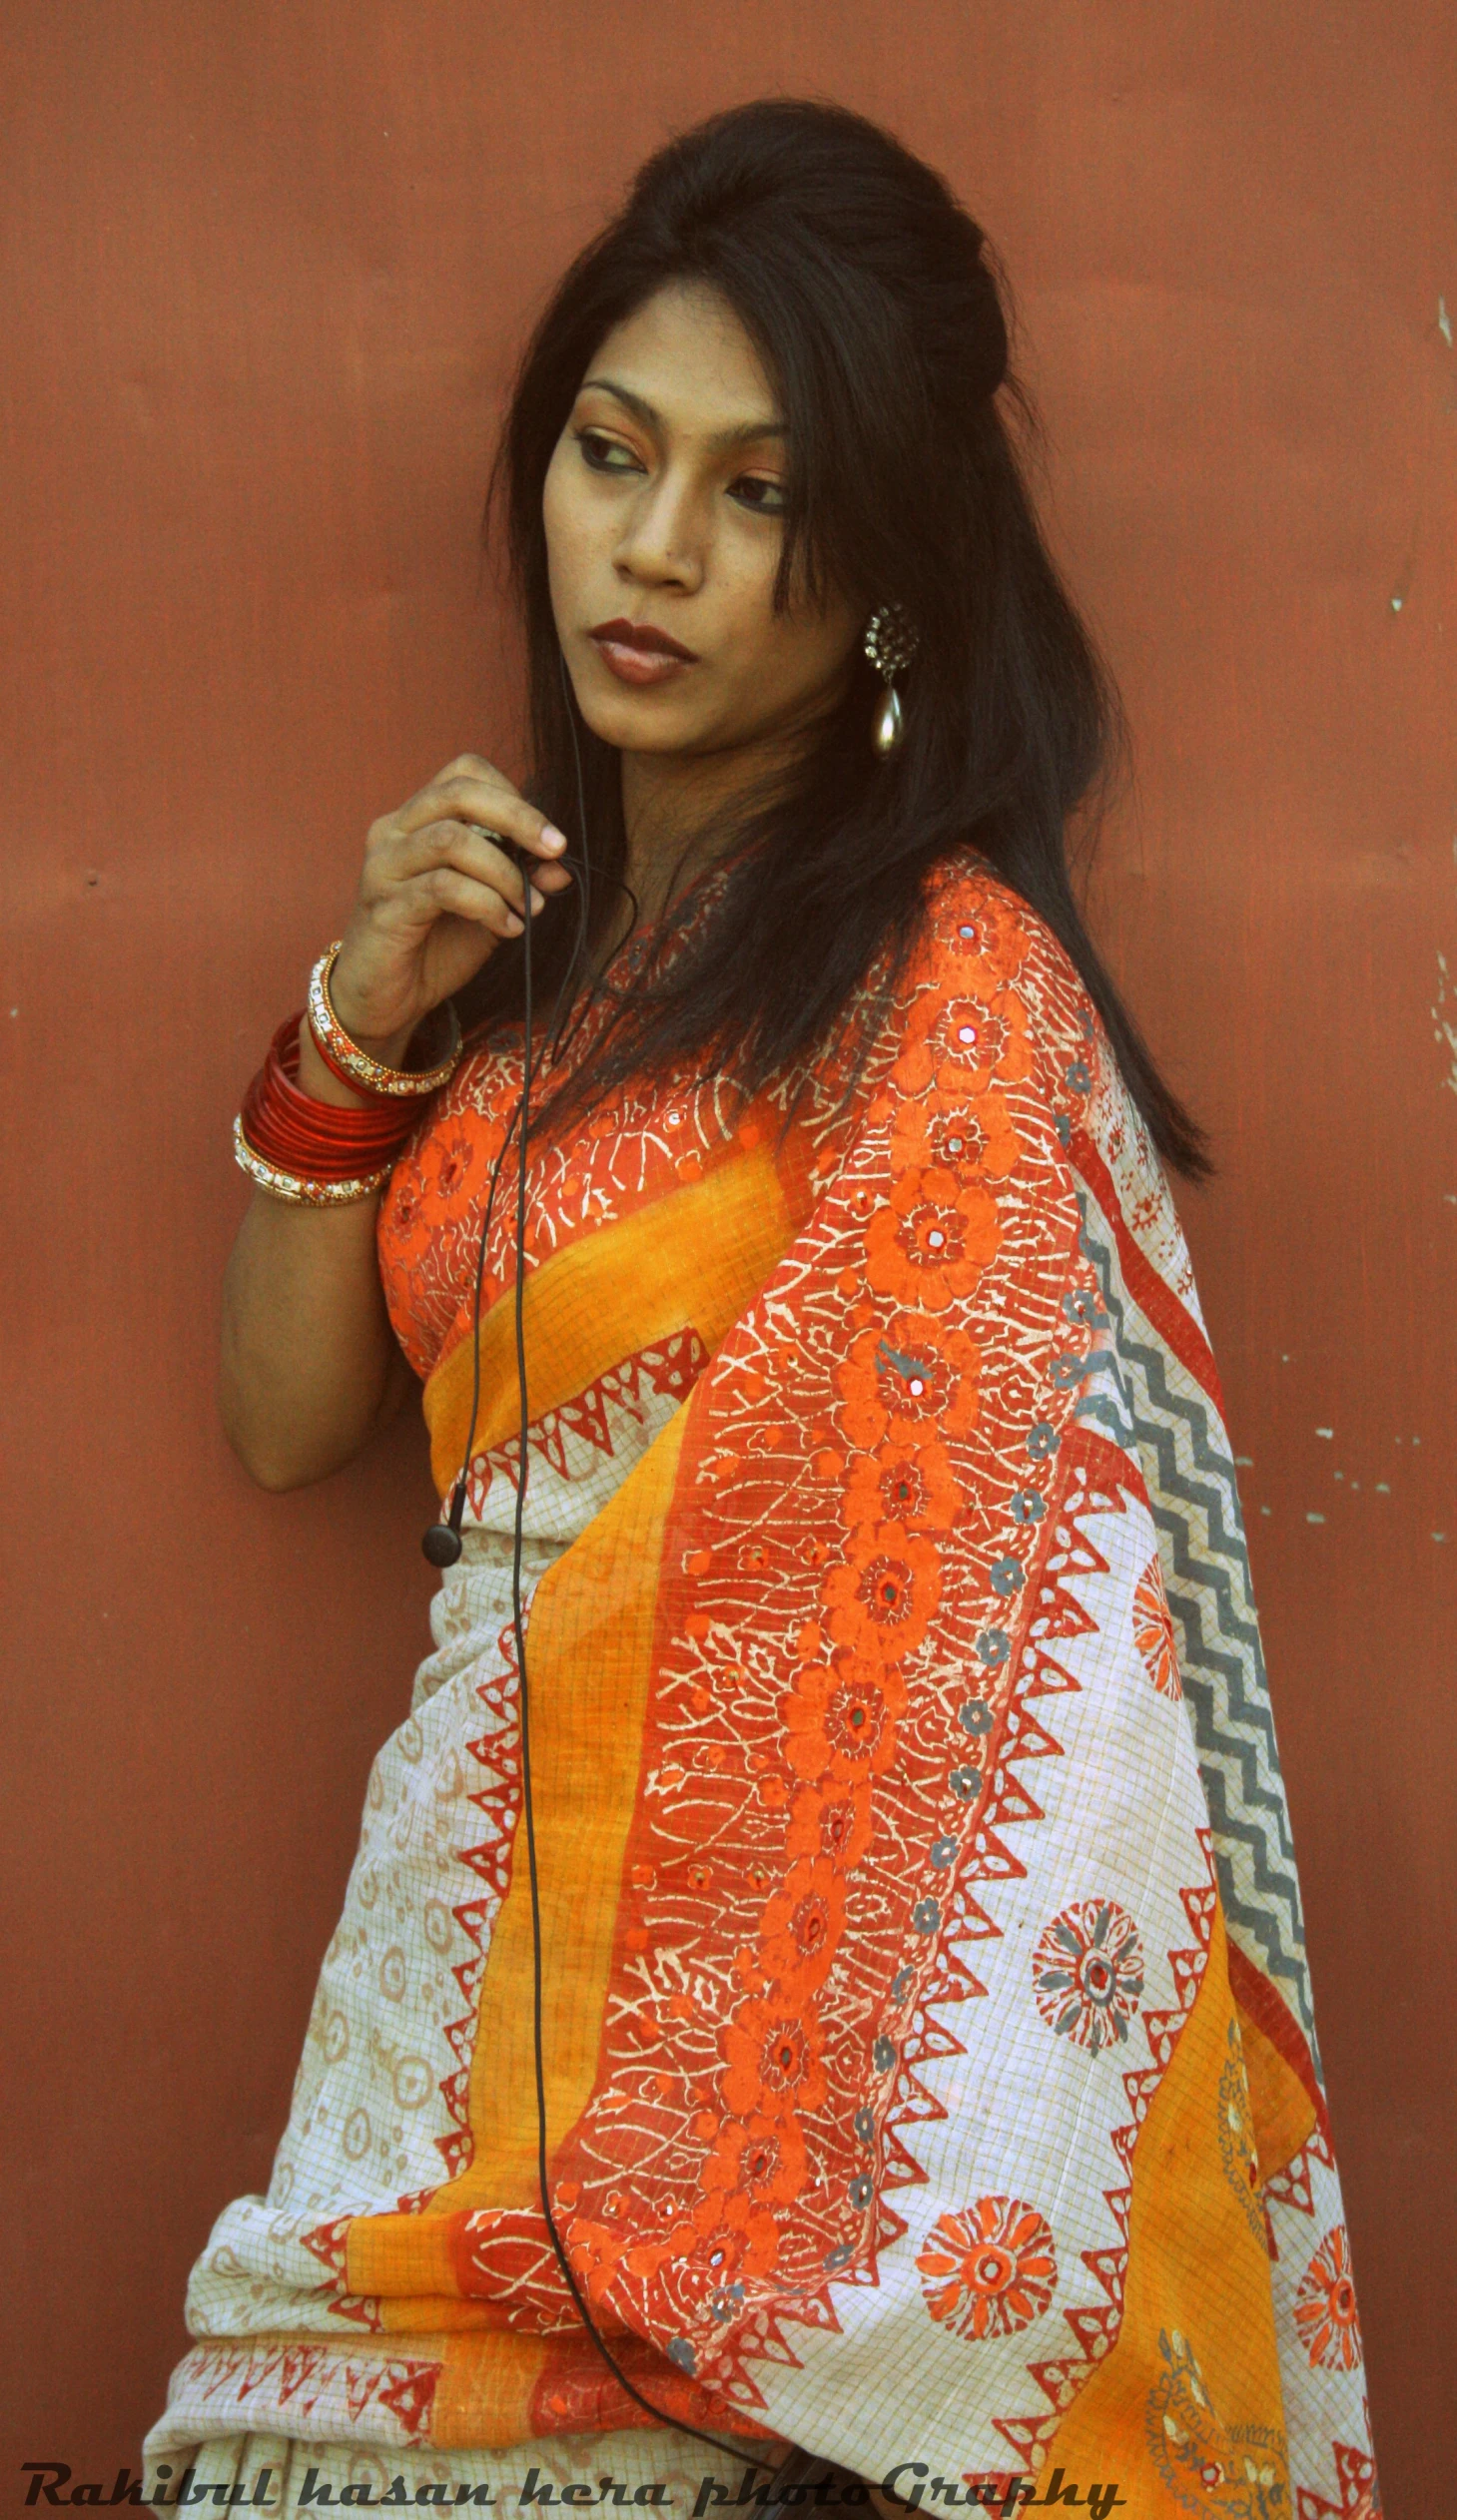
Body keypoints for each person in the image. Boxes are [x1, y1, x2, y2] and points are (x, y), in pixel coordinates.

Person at [145, 98, 1379, 2520]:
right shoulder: (535, 983)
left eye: (764, 492)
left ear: (888, 564)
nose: (662, 549)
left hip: (760, 2149)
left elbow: (970, 1664)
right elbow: (292, 1418)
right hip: (435, 2020)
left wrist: (765, 2183)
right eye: (615, 456)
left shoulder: (947, 997)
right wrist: (360, 1027)